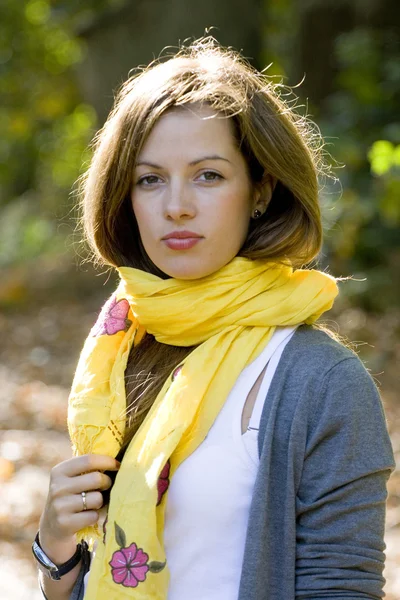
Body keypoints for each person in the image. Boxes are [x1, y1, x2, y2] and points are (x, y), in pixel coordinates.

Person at [34, 37, 395, 600]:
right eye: (150, 179)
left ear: (260, 190)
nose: (176, 205)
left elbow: (341, 587)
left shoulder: (323, 383)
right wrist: (56, 548)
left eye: (208, 175)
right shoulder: (118, 354)